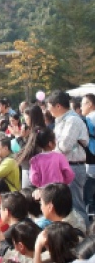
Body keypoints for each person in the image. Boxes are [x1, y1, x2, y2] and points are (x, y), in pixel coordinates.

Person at [47, 90, 89, 225]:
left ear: (58, 106)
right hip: (65, 166)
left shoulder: (72, 120)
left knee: (76, 206)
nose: (48, 110)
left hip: (73, 167)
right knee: (66, 208)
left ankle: (85, 239)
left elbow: (64, 146)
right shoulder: (62, 120)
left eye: (49, 106)